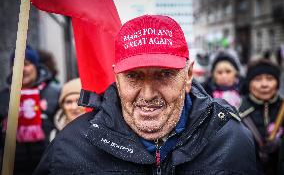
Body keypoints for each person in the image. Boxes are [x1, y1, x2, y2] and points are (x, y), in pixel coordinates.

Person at [34, 15, 260, 175]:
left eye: (164, 74)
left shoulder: (232, 140)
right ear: (117, 78)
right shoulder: (72, 146)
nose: (149, 94)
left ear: (188, 75)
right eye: (133, 76)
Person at [0, 45, 61, 175]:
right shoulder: (4, 98)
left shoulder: (54, 94)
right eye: (16, 65)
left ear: (36, 66)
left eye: (26, 64)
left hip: (48, 168)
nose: (22, 69)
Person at [239, 59, 283, 175]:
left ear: (277, 83)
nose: (264, 84)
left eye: (270, 78)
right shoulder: (238, 111)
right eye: (258, 79)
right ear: (249, 84)